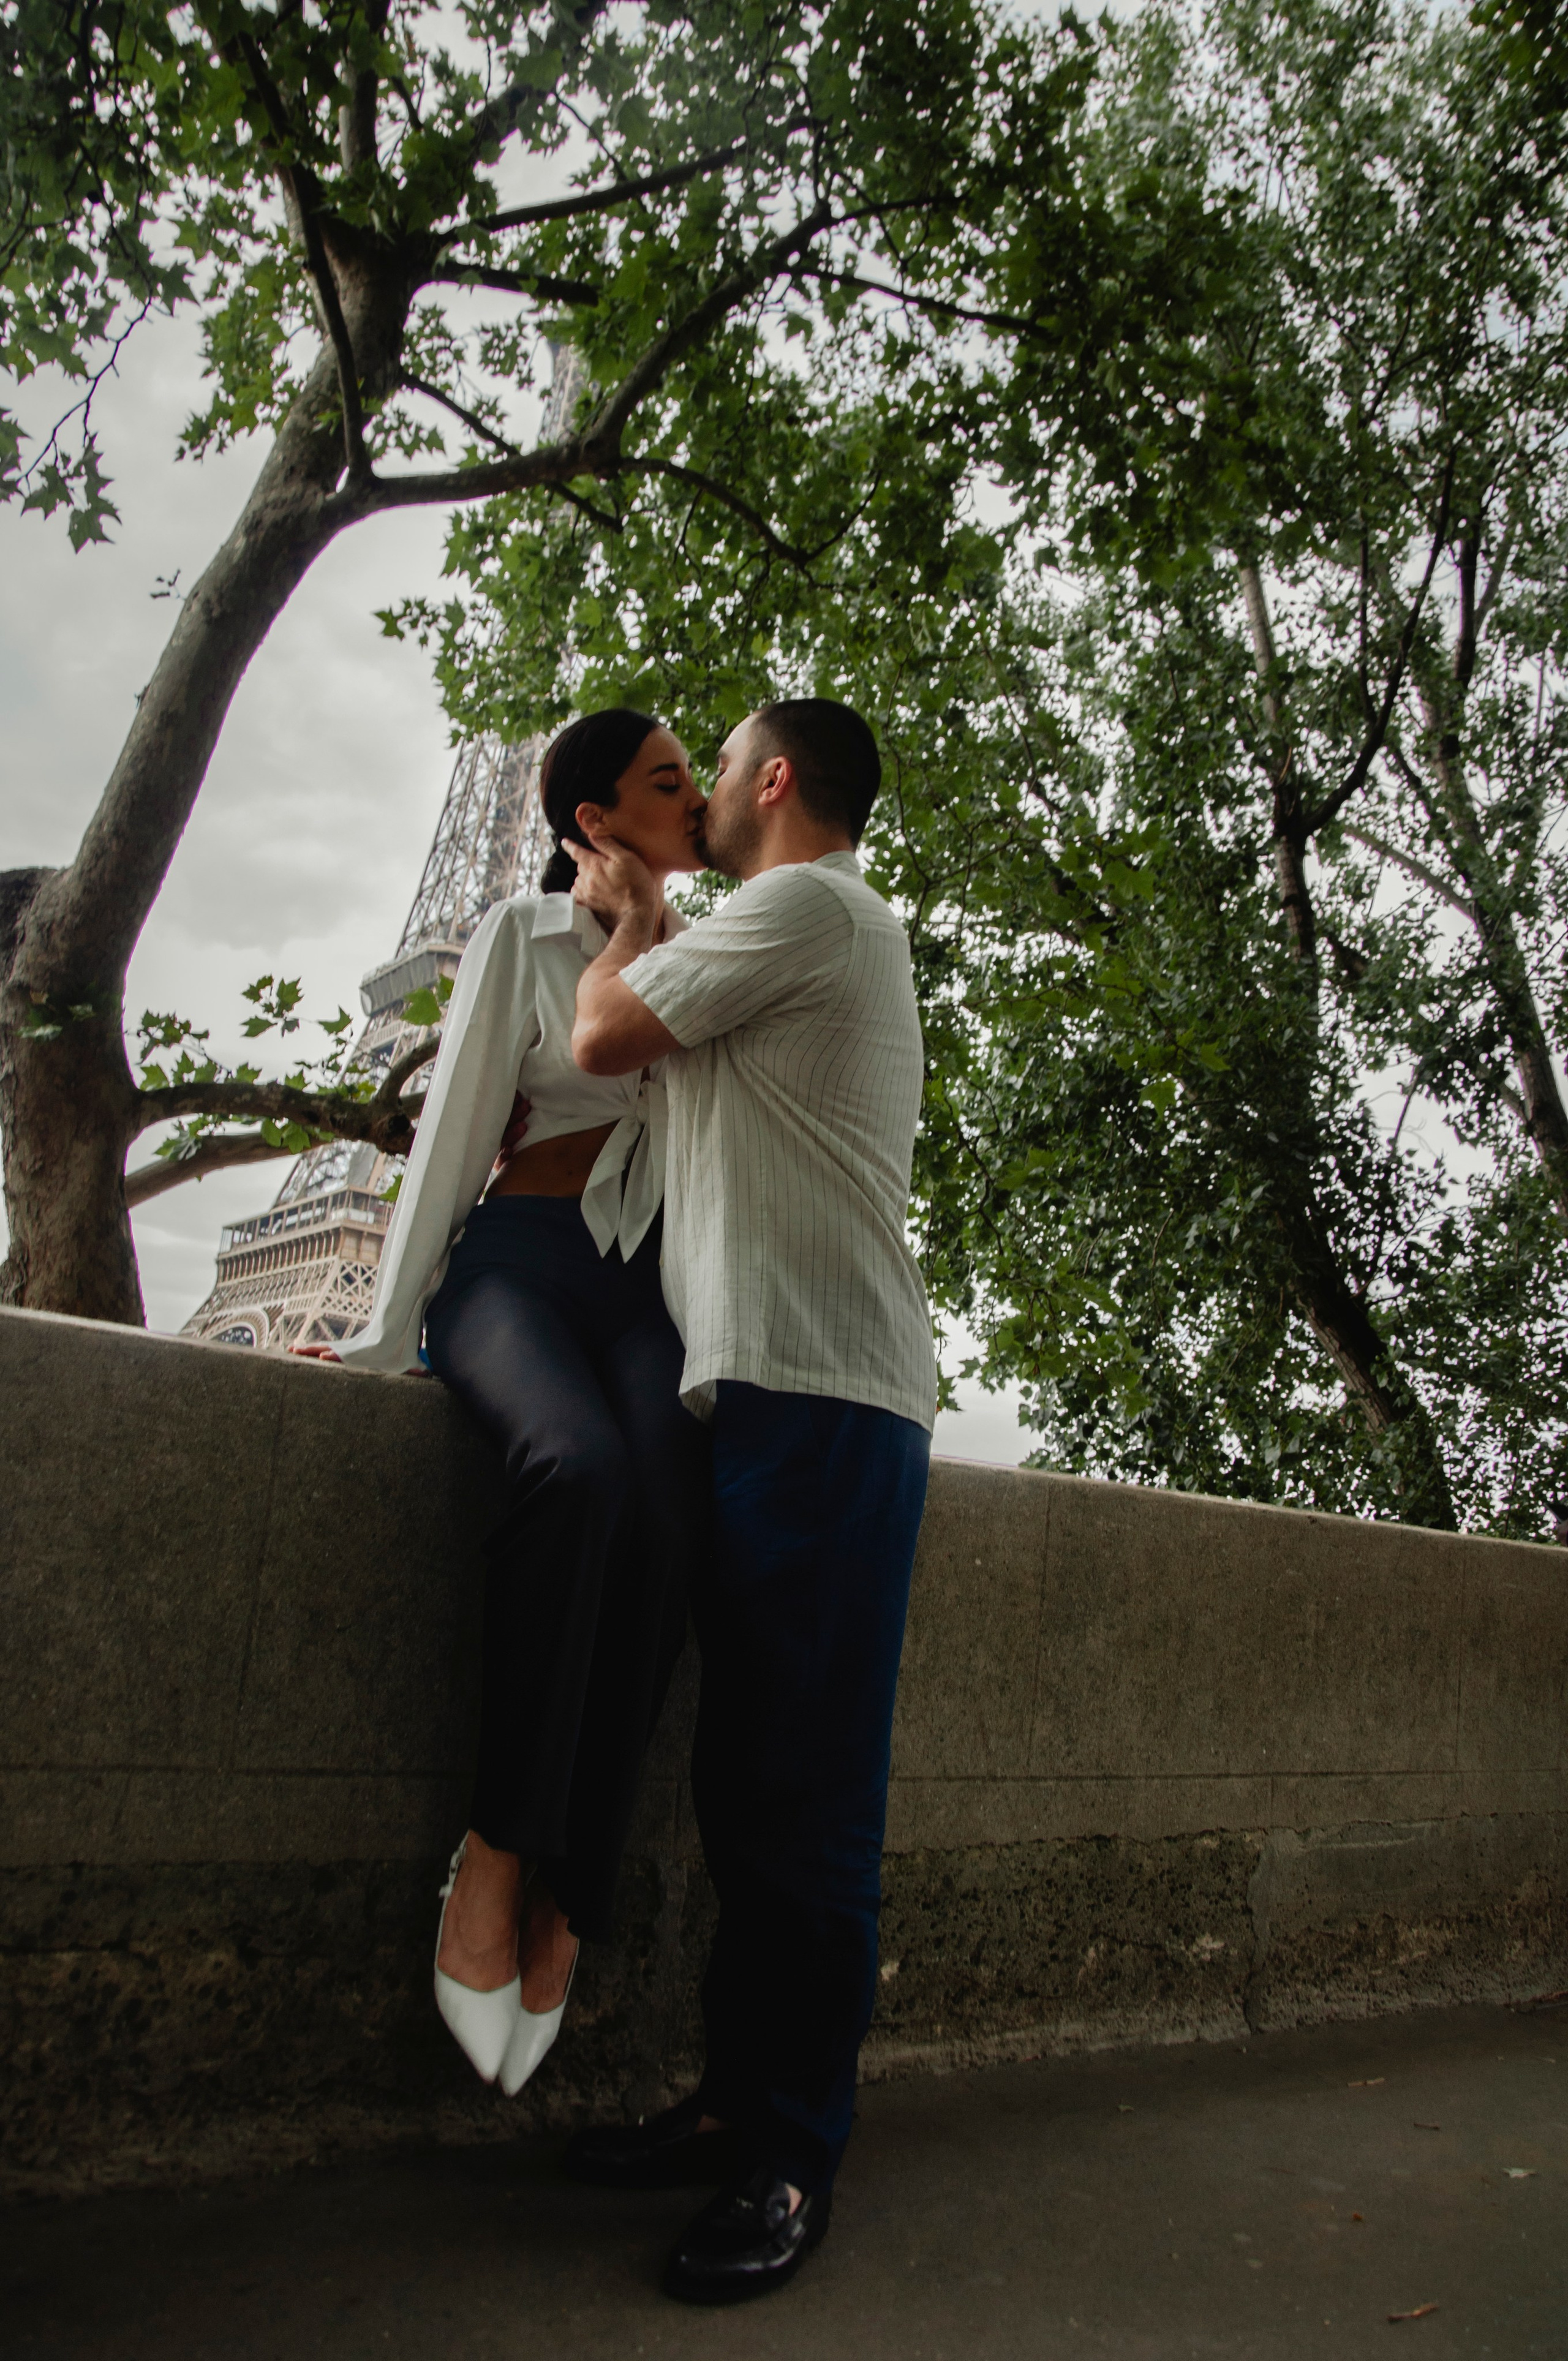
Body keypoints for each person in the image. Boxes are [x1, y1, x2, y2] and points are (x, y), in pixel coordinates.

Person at [560, 698, 938, 2306]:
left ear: (773, 781)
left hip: (824, 1392)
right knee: (745, 1791)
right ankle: (736, 2102)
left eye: (713, 768)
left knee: (807, 1810)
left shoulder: (806, 907)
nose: (701, 792)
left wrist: (628, 911)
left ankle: (792, 2152)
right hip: (771, 1390)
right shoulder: (787, 935)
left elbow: (601, 1035)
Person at [320, 709, 711, 2098]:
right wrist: (382, 1336)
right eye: (668, 780)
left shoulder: (718, 957)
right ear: (594, 819)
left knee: (669, 1514)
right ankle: (495, 1852)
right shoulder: (520, 934)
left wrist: (654, 930)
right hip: (521, 1265)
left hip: (651, 1293)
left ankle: (574, 1892)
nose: (698, 794)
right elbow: (453, 1130)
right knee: (576, 1470)